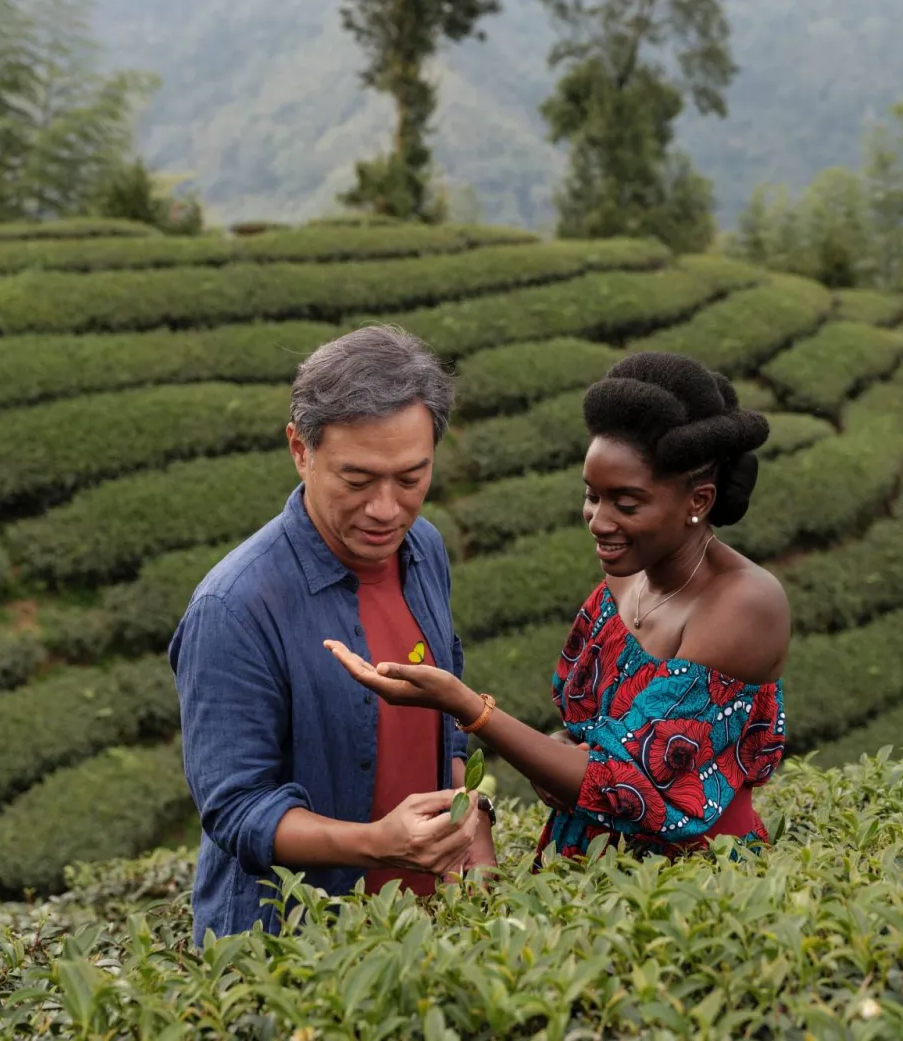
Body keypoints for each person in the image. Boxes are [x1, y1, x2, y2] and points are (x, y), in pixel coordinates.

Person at [326, 350, 789, 864]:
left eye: (626, 504)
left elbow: (627, 783)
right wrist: (556, 749)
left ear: (698, 501)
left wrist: (467, 707)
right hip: (586, 866)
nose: (598, 520)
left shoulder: (745, 605)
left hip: (686, 881)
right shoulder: (627, 577)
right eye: (593, 496)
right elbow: (590, 730)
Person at [170, 324, 495, 945]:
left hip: (422, 928)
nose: (386, 509)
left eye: (411, 478)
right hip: (292, 944)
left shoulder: (423, 549)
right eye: (358, 480)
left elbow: (442, 711)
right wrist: (376, 844)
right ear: (301, 449)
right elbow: (236, 810)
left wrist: (470, 828)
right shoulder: (235, 606)